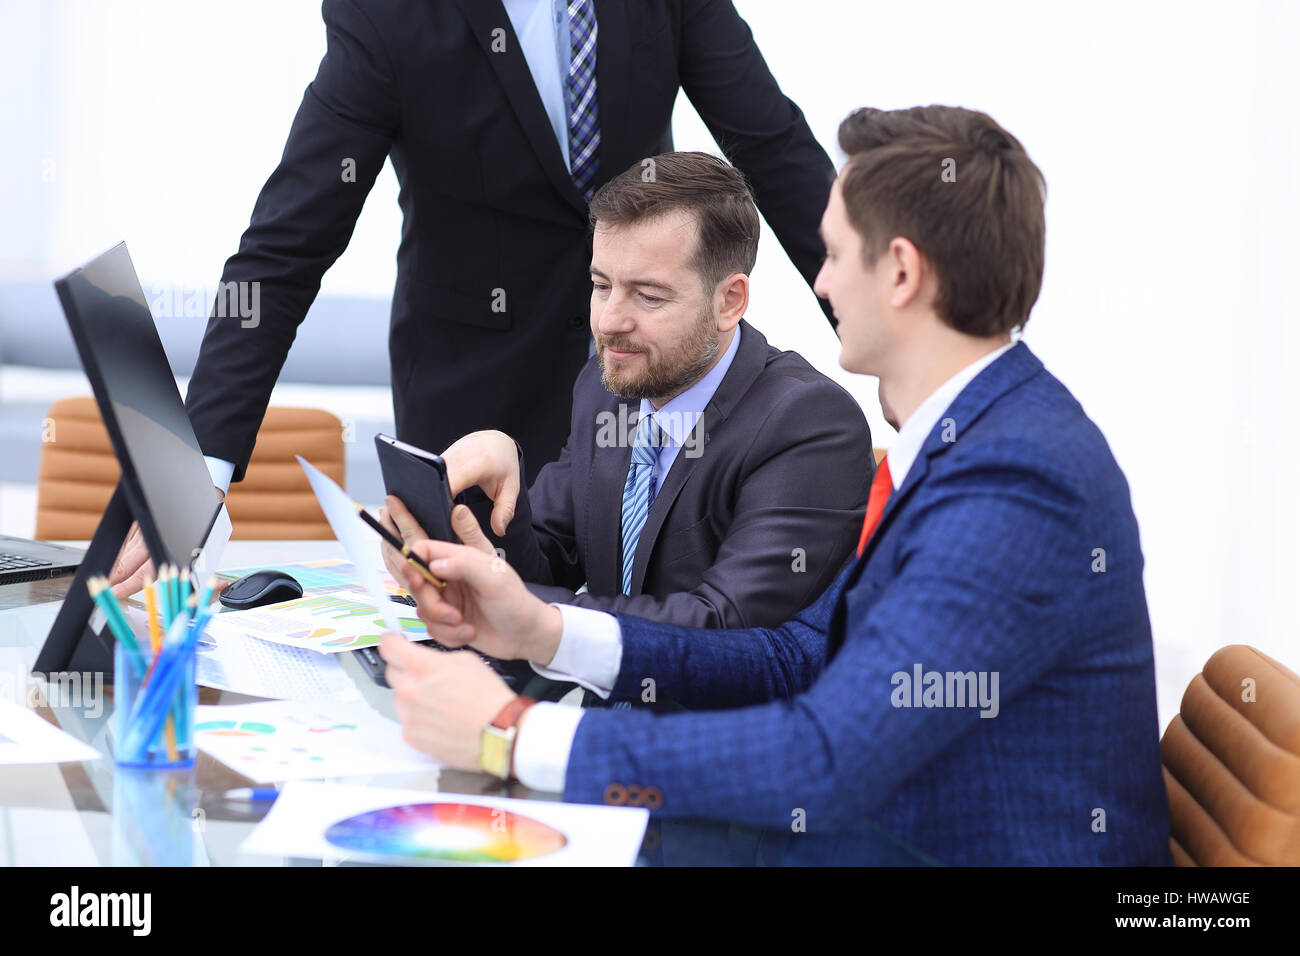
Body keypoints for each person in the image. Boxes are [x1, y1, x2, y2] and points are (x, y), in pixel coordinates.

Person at [376, 105, 1173, 866]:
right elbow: (792, 655)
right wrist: (538, 632)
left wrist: (512, 734)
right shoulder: (966, 440)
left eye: (831, 253)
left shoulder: (1016, 480)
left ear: (899, 272)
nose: (821, 283)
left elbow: (826, 757)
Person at [111, 0, 839, 598]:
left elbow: (773, 147)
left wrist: (905, 343)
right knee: (465, 631)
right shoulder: (390, 14)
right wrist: (195, 478)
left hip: (640, 384)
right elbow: (285, 246)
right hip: (472, 395)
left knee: (652, 622)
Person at [379, 152, 870, 641]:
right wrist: (472, 514)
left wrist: (525, 607)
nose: (610, 321)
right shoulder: (605, 386)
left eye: (649, 296)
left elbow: (723, 627)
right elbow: (550, 565)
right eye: (600, 285)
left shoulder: (808, 424)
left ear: (729, 301)